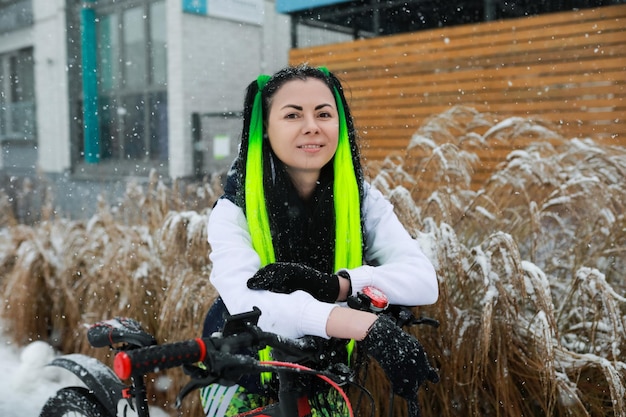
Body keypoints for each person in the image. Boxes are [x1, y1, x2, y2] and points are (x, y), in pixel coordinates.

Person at [200, 64, 439, 416]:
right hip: (240, 372)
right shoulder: (234, 211)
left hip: (323, 373)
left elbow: (423, 281)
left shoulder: (361, 200)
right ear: (265, 128)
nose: (312, 125)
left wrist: (338, 286)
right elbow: (250, 305)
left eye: (324, 113)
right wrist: (365, 326)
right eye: (293, 115)